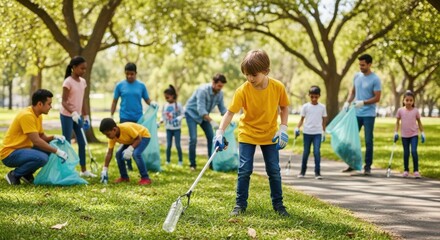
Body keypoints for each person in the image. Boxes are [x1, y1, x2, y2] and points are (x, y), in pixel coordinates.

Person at [213, 49, 290, 217]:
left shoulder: (278, 87)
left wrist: (283, 128)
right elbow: (230, 112)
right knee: (244, 170)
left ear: (266, 71)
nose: (250, 78)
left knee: (274, 171)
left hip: (270, 134)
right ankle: (240, 204)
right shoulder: (243, 90)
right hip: (247, 133)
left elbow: (284, 107)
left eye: (253, 75)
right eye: (247, 75)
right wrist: (220, 132)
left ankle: (279, 205)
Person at [1, 89, 68, 185]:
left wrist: (54, 137)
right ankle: (14, 175)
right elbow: (37, 141)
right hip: (9, 153)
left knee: (47, 150)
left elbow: (41, 137)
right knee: (42, 158)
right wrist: (57, 151)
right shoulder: (27, 116)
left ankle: (26, 173)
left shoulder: (37, 115)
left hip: (22, 150)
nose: (51, 107)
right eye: (49, 104)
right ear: (40, 104)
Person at [110, 62, 157, 171]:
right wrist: (111, 115)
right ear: (125, 73)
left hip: (138, 118)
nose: (130, 76)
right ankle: (128, 164)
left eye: (132, 74)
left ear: (136, 73)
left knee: (136, 139)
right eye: (127, 74)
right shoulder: (120, 86)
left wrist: (152, 103)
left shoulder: (141, 86)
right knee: (126, 140)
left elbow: (147, 99)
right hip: (124, 117)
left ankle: (135, 161)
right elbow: (114, 101)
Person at [342, 54, 381, 175]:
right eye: (359, 64)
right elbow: (353, 92)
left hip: (369, 114)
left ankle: (367, 166)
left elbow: (377, 97)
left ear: (369, 64)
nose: (361, 67)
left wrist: (364, 102)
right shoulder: (357, 76)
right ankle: (352, 164)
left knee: (368, 140)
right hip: (356, 113)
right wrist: (347, 102)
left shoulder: (375, 79)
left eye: (363, 65)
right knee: (351, 139)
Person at [60, 56, 95, 177]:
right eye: (81, 68)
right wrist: (72, 112)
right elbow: (63, 101)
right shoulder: (68, 82)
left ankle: (84, 170)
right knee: (67, 142)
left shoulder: (83, 82)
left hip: (78, 116)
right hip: (67, 116)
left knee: (82, 142)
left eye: (85, 69)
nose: (84, 71)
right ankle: (66, 169)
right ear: (74, 67)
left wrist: (86, 116)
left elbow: (83, 100)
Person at [184, 73, 227, 170]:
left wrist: (228, 119)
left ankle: (211, 163)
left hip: (204, 117)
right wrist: (212, 122)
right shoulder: (202, 90)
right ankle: (192, 164)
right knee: (193, 139)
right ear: (213, 83)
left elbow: (222, 108)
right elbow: (201, 110)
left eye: (222, 86)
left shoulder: (220, 93)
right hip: (191, 114)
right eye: (219, 85)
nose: (220, 88)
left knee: (211, 137)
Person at [99, 118, 152, 185]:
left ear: (114, 129)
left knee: (136, 154)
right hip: (131, 139)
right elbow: (109, 153)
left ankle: (145, 178)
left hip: (143, 136)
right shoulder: (112, 137)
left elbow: (138, 139)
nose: (107, 137)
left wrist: (130, 149)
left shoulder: (126, 128)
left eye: (108, 134)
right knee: (118, 154)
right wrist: (105, 169)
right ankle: (124, 177)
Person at [295, 86, 327, 180]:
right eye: (312, 96)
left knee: (317, 152)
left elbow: (324, 120)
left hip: (317, 133)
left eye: (316, 97)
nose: (314, 99)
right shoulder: (305, 107)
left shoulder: (322, 107)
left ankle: (317, 173)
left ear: (319, 96)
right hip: (307, 132)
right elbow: (302, 119)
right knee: (306, 152)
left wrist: (323, 132)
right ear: (309, 95)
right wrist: (297, 128)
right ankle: (302, 172)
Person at [394, 90, 425, 179]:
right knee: (406, 153)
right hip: (404, 135)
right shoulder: (400, 110)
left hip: (414, 134)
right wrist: (395, 132)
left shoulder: (415, 111)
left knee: (414, 151)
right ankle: (406, 170)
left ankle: (416, 170)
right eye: (407, 100)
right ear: (403, 100)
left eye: (411, 100)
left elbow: (419, 122)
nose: (408, 102)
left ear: (413, 101)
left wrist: (422, 133)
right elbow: (397, 122)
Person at [160, 85, 184, 166]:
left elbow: (183, 114)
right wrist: (160, 121)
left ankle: (180, 161)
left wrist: (178, 118)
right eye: (165, 97)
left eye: (167, 97)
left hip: (177, 128)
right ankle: (167, 161)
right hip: (168, 128)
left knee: (177, 145)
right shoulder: (165, 105)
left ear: (172, 96)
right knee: (168, 145)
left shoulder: (178, 105)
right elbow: (163, 115)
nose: (166, 99)